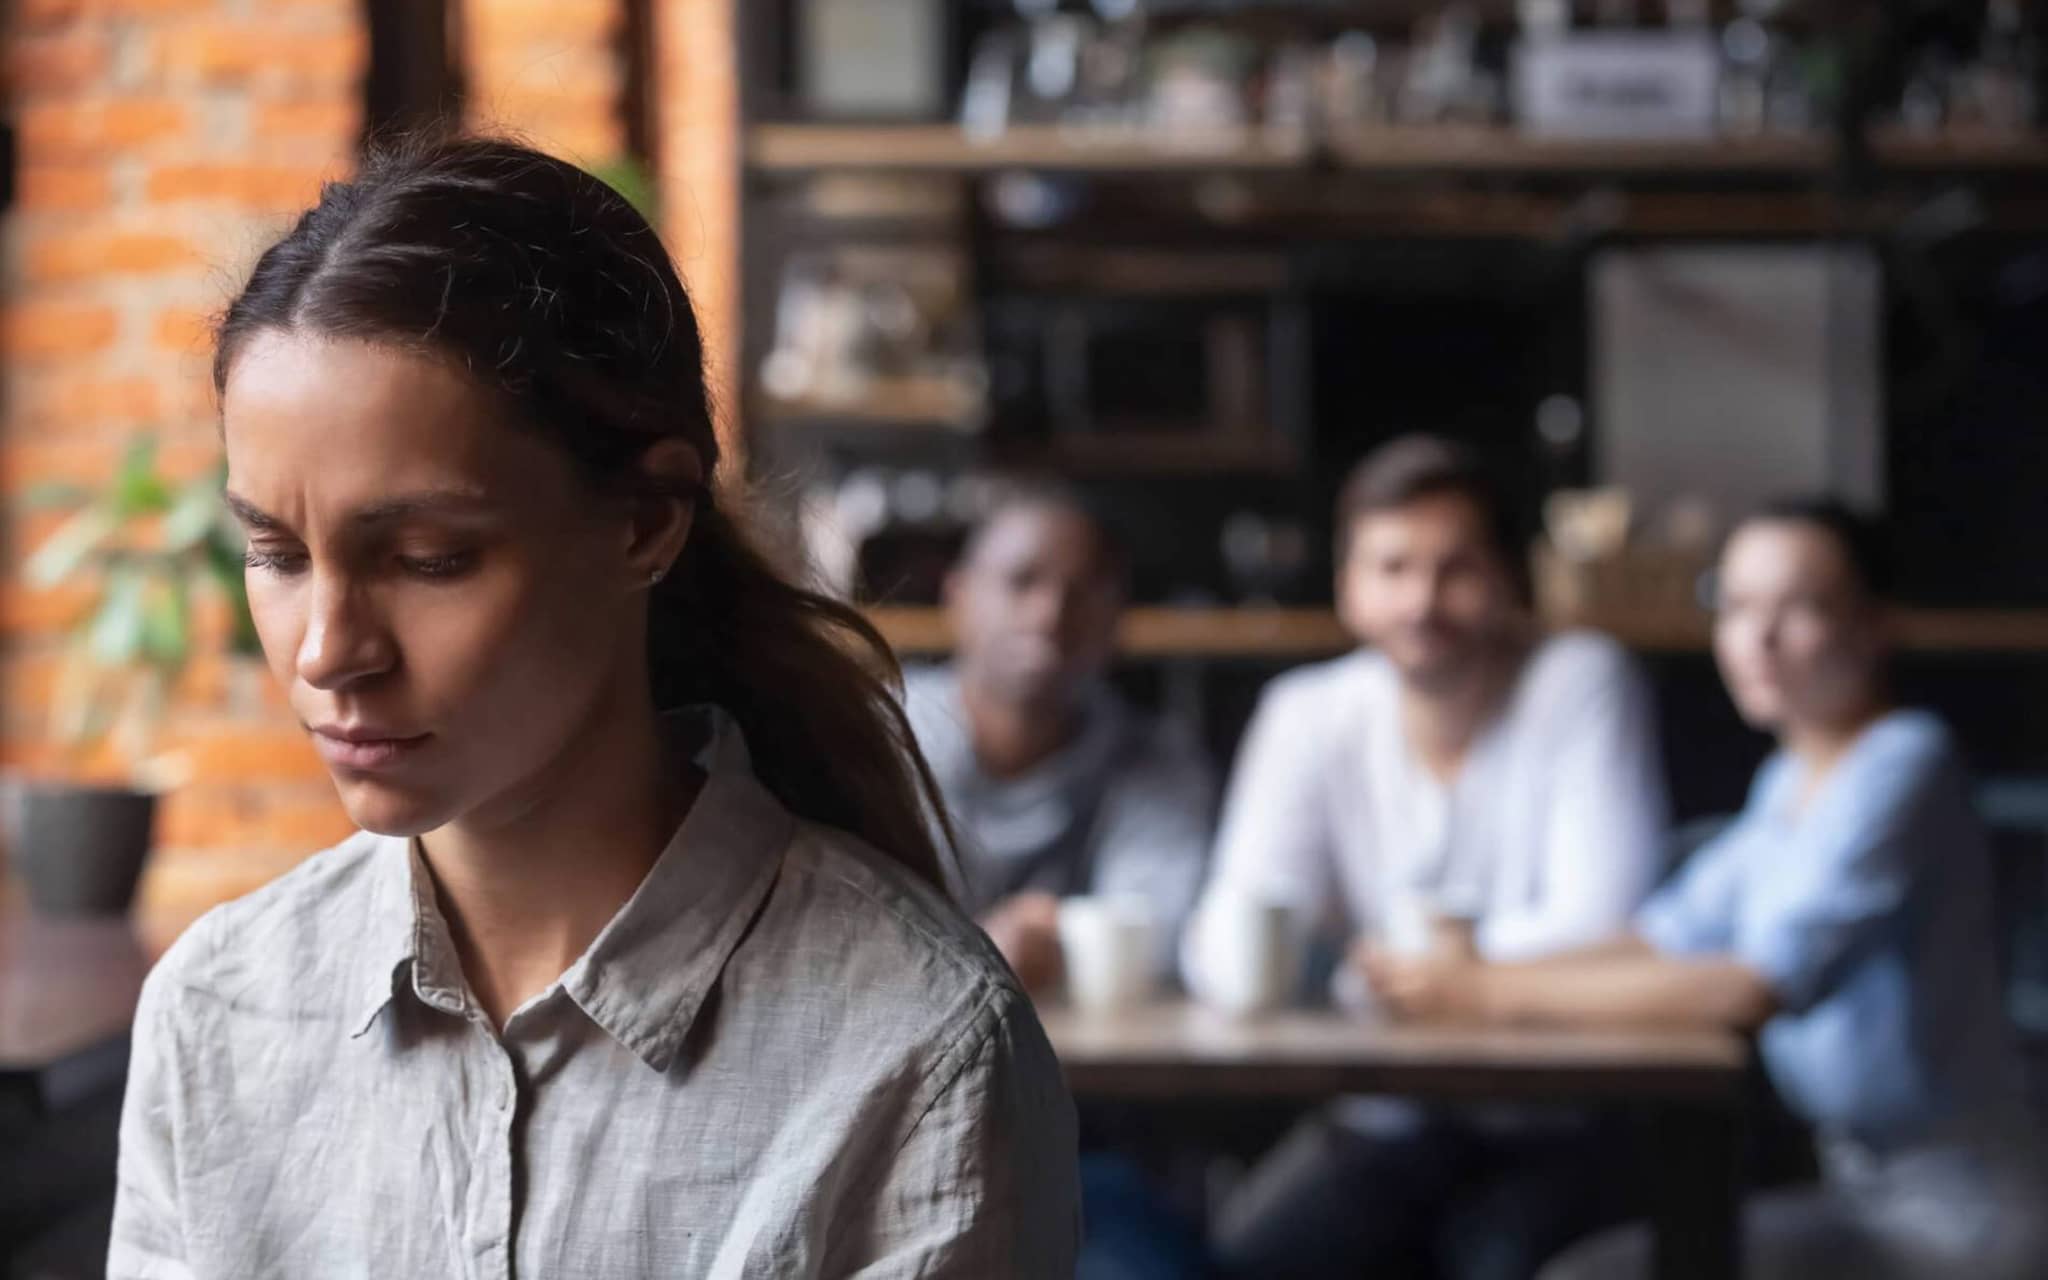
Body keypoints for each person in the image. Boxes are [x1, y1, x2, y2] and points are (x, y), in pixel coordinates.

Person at [107, 137, 1078, 1278]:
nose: (328, 651)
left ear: (645, 519)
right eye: (273, 551)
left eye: (426, 557)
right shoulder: (216, 1010)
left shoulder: (914, 1048)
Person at [1369, 499, 2048, 1280]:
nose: (1758, 640)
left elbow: (1751, 986)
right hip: (1859, 1191)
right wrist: (1465, 970)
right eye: (1737, 607)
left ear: (1873, 625)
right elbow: (1662, 935)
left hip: (1961, 1220)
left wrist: (1484, 994)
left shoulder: (1904, 764)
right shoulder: (1789, 780)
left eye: (1800, 609)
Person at [1184, 435, 1670, 1279]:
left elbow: (1608, 920)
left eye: (1456, 568)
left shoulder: (1581, 678)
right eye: (1393, 567)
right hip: (1385, 1115)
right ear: (1347, 586)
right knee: (1241, 1262)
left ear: (1510, 580)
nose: (1422, 601)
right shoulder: (1307, 711)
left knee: (1500, 1258)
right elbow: (1232, 931)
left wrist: (1388, 972)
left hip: (1557, 1119)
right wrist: (1269, 955)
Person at [904, 478, 1216, 993]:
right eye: (1021, 582)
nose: (1050, 615)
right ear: (957, 596)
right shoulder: (875, 738)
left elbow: (1163, 932)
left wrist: (1052, 943)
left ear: (1118, 619)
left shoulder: (1157, 758)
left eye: (1084, 592)